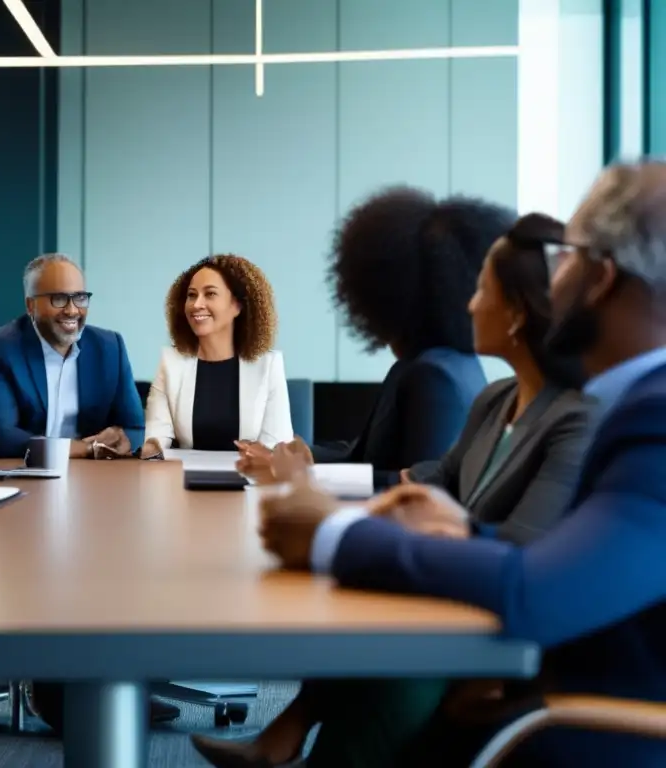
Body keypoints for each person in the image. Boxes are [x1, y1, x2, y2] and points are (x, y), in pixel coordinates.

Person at [259, 160, 666, 768]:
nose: (552, 278)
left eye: (566, 256)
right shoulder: (624, 404)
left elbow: (535, 592)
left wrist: (333, 534)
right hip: (548, 688)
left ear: (601, 278)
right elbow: (587, 565)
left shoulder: (652, 420)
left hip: (593, 730)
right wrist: (465, 530)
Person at [191, 213, 593, 768]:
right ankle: (286, 738)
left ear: (518, 312)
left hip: (496, 630)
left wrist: (363, 521)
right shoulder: (494, 399)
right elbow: (433, 477)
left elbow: (524, 548)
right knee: (369, 611)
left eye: (482, 291)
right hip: (449, 605)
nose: (469, 304)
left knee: (385, 642)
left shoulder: (576, 418)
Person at [237, 188, 513, 488]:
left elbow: (417, 489)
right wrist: (294, 456)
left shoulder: (434, 376)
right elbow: (364, 457)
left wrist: (297, 472)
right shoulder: (429, 364)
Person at [0, 253, 145, 459]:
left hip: (94, 478)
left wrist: (120, 439)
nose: (72, 310)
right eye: (59, 299)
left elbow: (134, 428)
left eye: (80, 298)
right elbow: (0, 438)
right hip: (25, 475)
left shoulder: (109, 347)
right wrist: (86, 449)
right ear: (30, 306)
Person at [140, 254, 293, 456]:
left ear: (237, 305)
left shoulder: (268, 365)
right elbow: (155, 438)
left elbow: (278, 446)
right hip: (185, 482)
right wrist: (147, 449)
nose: (196, 305)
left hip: (250, 480)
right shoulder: (171, 362)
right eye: (192, 295)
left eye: (210, 294)